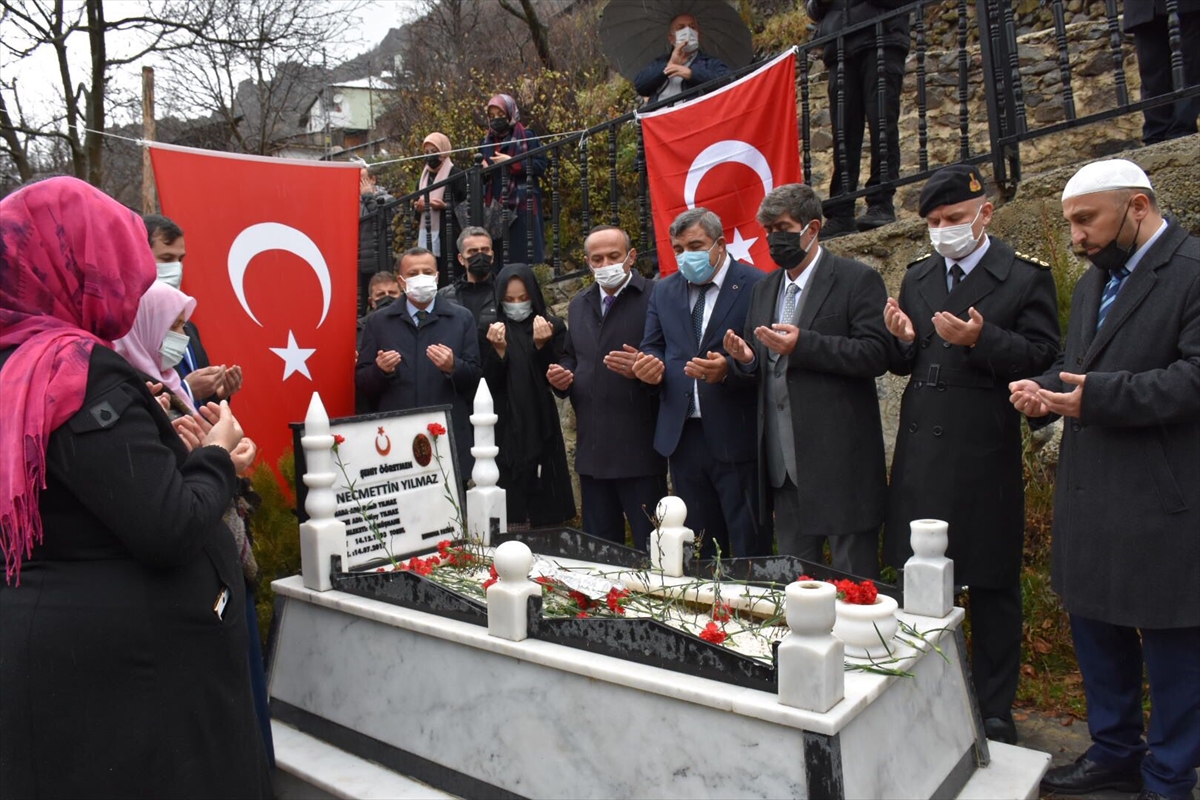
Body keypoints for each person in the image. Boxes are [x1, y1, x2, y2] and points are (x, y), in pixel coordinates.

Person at [0, 176, 271, 796]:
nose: (135, 285)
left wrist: (157, 450)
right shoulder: (72, 370)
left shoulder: (17, 363)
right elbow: (166, 525)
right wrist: (215, 456)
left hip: (64, 661)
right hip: (131, 692)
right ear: (71, 267)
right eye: (122, 267)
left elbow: (84, 488)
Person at [1010, 159, 1199, 800]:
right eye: (1070, 223)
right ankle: (1115, 748)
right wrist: (1045, 392)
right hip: (1092, 489)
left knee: (1174, 642)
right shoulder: (1095, 282)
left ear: (1138, 206)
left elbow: (1192, 380)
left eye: (1086, 220)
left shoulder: (1193, 271)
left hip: (1164, 494)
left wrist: (1093, 398)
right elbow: (1078, 366)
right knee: (1096, 626)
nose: (1077, 237)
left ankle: (1170, 774)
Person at [882, 164, 1060, 745]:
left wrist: (981, 339)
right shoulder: (919, 276)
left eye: (953, 219)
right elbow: (908, 361)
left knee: (991, 583)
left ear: (984, 213)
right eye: (933, 222)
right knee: (919, 576)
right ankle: (923, 692)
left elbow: (1043, 355)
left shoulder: (1022, 277)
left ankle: (994, 706)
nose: (943, 230)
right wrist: (903, 339)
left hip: (984, 447)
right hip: (922, 447)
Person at [112, 279, 276, 768]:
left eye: (185, 327)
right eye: (174, 327)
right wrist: (218, 459)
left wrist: (227, 456)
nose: (181, 339)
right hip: (191, 575)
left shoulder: (173, 386)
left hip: (221, 556)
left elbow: (205, 457)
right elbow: (167, 488)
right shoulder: (132, 397)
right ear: (143, 328)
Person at [724, 184, 890, 576]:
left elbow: (876, 354)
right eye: (767, 230)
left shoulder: (856, 279)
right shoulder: (764, 289)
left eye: (782, 227)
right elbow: (763, 368)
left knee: (856, 587)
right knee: (798, 587)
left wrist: (806, 344)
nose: (773, 239)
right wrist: (746, 360)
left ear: (812, 228)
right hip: (784, 467)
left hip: (840, 464)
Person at [633, 208, 767, 558]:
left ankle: (751, 607)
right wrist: (652, 368)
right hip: (682, 435)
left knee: (746, 541)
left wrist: (731, 369)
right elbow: (653, 345)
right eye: (678, 248)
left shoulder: (755, 284)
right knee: (697, 541)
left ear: (720, 245)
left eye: (695, 245)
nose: (685, 256)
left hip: (735, 431)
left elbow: (766, 358)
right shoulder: (664, 291)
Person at [548, 226, 667, 550]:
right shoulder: (579, 304)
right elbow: (573, 356)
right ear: (588, 262)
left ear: (630, 257)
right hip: (593, 448)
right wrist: (563, 376)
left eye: (613, 256)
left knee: (652, 547)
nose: (606, 264)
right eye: (597, 259)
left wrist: (644, 370)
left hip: (641, 448)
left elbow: (671, 359)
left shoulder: (656, 296)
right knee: (600, 551)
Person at [356, 247, 481, 477]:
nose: (421, 277)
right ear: (402, 281)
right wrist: (380, 370)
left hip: (446, 434)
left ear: (437, 277)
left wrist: (454, 366)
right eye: (413, 274)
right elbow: (362, 384)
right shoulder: (379, 322)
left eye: (427, 271)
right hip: (397, 439)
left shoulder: (461, 318)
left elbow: (475, 379)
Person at [806, 0, 911, 236]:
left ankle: (881, 202)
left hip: (881, 37)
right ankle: (841, 211)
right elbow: (813, 10)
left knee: (881, 124)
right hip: (840, 47)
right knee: (843, 134)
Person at [482, 265, 576, 529]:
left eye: (523, 298)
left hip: (541, 422)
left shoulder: (551, 325)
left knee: (547, 508)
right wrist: (498, 351)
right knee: (508, 513)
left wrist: (541, 346)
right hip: (505, 427)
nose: (517, 305)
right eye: (509, 300)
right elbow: (487, 384)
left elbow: (558, 378)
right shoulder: (491, 328)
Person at [144, 213, 243, 406]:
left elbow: (200, 404)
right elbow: (141, 403)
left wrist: (217, 393)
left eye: (180, 259)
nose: (176, 268)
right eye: (166, 259)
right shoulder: (130, 334)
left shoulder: (189, 327)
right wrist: (186, 389)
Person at [480, 93, 546, 269]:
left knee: (523, 258)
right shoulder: (486, 142)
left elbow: (540, 165)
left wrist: (511, 163)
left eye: (500, 115)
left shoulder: (528, 136)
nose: (496, 120)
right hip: (496, 206)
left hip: (522, 205)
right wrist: (483, 171)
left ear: (510, 113)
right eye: (492, 116)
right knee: (500, 259)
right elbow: (483, 178)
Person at [1124, 0, 1200, 146]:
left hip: (1187, 6)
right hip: (1143, 8)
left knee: (1189, 66)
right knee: (1151, 69)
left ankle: (1181, 131)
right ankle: (1157, 134)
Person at [633, 13, 731, 104]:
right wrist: (668, 66)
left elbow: (727, 80)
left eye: (692, 27)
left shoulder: (709, 63)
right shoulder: (660, 62)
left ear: (699, 35)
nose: (688, 31)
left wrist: (691, 74)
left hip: (691, 117)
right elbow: (640, 86)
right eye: (681, 28)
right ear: (671, 38)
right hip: (659, 119)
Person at [413, 132, 468, 278]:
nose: (430, 155)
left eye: (434, 151)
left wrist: (445, 206)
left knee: (449, 273)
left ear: (444, 151)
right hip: (428, 233)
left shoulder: (456, 174)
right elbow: (416, 213)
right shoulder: (423, 178)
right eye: (427, 152)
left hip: (450, 234)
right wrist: (418, 208)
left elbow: (466, 205)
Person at [437, 226, 500, 332]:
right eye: (473, 251)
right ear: (461, 259)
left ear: (492, 256)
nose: (480, 256)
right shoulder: (444, 296)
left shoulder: (503, 292)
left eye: (485, 250)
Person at [357, 160, 395, 314]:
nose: (359, 184)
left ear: (373, 179)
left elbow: (381, 220)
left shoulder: (386, 198)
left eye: (362, 179)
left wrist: (368, 196)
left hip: (377, 258)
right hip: (358, 259)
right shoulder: (351, 200)